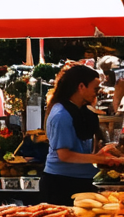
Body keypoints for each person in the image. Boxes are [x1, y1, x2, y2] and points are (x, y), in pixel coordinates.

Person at [41, 64, 118, 204]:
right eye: (95, 88)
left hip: (82, 179)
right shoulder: (62, 115)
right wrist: (100, 159)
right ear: (81, 87)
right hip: (62, 182)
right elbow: (64, 155)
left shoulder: (80, 111)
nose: (97, 92)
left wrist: (101, 154)